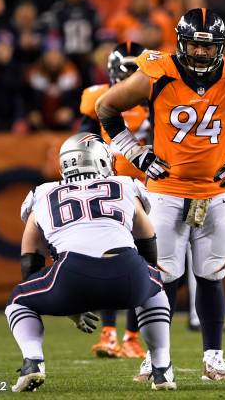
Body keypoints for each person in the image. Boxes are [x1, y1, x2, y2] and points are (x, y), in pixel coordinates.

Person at [95, 8, 225, 381]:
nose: (200, 52)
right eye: (194, 45)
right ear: (181, 42)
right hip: (166, 191)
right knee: (162, 277)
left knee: (212, 276)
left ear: (220, 46)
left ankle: (213, 359)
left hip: (216, 191)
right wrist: (137, 154)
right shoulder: (157, 70)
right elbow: (107, 107)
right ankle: (155, 359)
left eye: (208, 45)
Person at [5, 133, 175, 391]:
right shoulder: (125, 184)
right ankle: (161, 368)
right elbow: (148, 240)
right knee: (155, 285)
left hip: (70, 274)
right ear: (103, 161)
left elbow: (30, 261)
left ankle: (33, 361)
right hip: (128, 273)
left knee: (18, 299)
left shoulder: (42, 193)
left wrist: (69, 303)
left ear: (64, 165)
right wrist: (145, 276)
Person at [80, 41, 149, 360]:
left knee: (146, 263)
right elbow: (84, 140)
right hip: (111, 187)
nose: (135, 76)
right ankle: (109, 334)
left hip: (149, 186)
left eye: (139, 69)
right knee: (110, 257)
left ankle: (132, 336)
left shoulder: (157, 96)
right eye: (130, 69)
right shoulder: (97, 97)